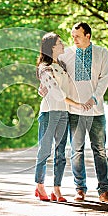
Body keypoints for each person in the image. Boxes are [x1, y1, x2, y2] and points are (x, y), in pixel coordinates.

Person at [35, 32, 86, 202]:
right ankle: (40, 186)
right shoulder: (44, 67)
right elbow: (57, 93)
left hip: (63, 113)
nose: (63, 44)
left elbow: (68, 87)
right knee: (44, 151)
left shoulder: (62, 66)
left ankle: (56, 189)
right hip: (49, 113)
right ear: (52, 47)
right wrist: (78, 104)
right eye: (60, 42)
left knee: (61, 153)